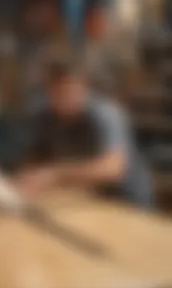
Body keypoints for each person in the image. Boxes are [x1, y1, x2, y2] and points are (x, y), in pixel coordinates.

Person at [15, 56, 154, 207]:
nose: (65, 99)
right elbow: (35, 159)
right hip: (85, 199)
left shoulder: (106, 114)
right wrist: (27, 179)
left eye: (70, 91)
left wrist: (55, 174)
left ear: (84, 87)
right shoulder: (44, 116)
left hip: (126, 201)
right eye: (57, 92)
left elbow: (113, 169)